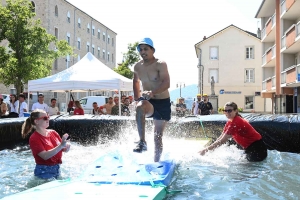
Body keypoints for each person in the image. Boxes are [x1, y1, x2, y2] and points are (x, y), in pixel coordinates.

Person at [133, 37, 171, 162]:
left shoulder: (160, 64)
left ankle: (156, 161)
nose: (143, 52)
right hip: (149, 102)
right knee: (139, 107)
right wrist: (136, 97)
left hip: (163, 103)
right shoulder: (137, 66)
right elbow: (136, 81)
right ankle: (142, 142)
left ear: (152, 50)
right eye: (140, 49)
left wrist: (153, 92)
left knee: (157, 136)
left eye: (146, 49)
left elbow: (166, 83)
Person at [199, 102, 267, 162]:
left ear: (235, 111)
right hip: (251, 149)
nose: (227, 112)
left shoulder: (236, 122)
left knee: (243, 173)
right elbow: (220, 138)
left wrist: (204, 151)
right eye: (225, 110)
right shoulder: (230, 121)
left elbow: (222, 141)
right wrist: (207, 150)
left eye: (229, 110)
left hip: (258, 149)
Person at [21, 109, 71, 179]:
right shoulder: (34, 138)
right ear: (36, 121)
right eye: (45, 118)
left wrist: (66, 148)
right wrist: (61, 145)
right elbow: (45, 156)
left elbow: (61, 149)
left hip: (57, 168)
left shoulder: (53, 133)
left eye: (48, 117)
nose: (48, 119)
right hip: (44, 171)